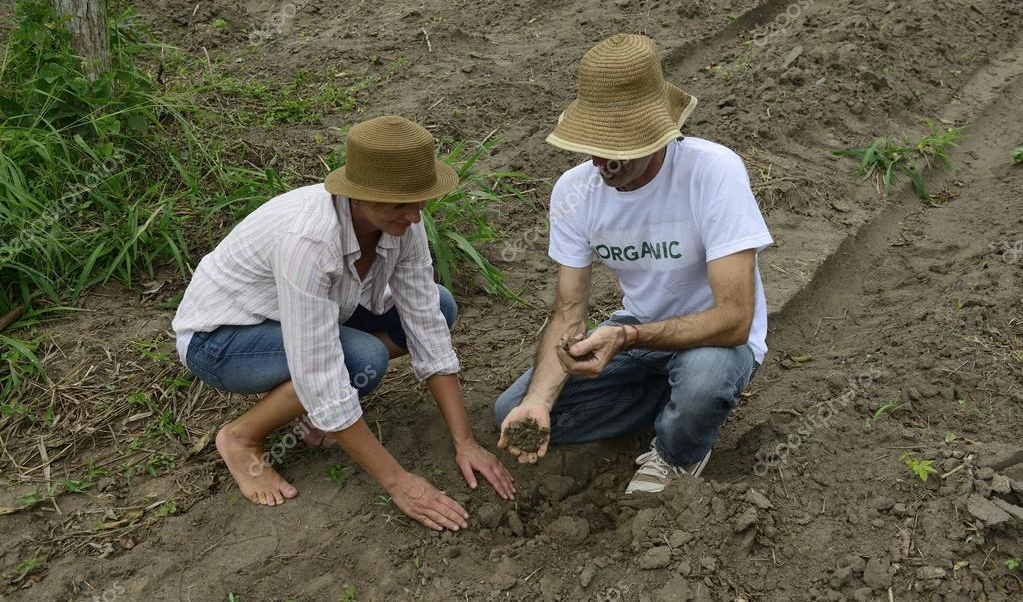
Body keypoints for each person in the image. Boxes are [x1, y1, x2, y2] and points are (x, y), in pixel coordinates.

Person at [173, 115, 514, 529]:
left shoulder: (403, 223)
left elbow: (425, 321)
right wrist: (399, 482)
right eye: (400, 204)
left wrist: (466, 443)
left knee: (441, 307)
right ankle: (241, 437)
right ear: (359, 194)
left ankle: (318, 410)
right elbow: (319, 367)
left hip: (310, 316)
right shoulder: (309, 242)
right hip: (222, 340)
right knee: (359, 360)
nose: (414, 216)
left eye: (419, 200)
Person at [494, 34, 773, 494]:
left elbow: (735, 318)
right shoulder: (573, 191)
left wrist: (626, 337)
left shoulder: (712, 172)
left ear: (659, 133)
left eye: (620, 148)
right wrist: (541, 401)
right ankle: (675, 405)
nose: (604, 163)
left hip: (714, 338)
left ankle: (677, 452)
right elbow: (568, 312)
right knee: (514, 414)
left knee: (704, 379)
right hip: (640, 329)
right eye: (594, 146)